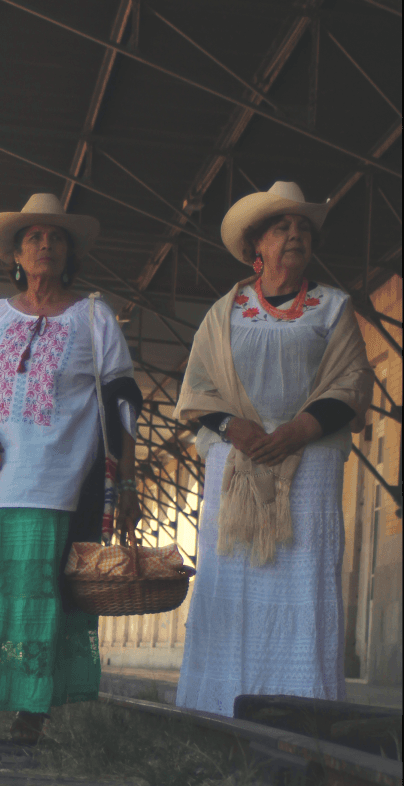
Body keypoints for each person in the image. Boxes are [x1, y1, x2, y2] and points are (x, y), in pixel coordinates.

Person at [0, 193, 143, 744]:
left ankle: (31, 714)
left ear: (68, 253)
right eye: (33, 237)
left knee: (43, 598)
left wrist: (130, 480)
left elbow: (121, 396)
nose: (45, 244)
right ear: (16, 256)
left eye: (56, 237)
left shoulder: (93, 316)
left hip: (62, 486)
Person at [173, 181, 374, 716]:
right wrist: (234, 427)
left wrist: (297, 430)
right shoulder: (226, 311)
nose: (295, 235)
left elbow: (351, 382)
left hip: (308, 466)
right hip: (234, 461)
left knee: (302, 582)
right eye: (282, 227)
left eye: (303, 229)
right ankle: (218, 706)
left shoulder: (332, 307)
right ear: (255, 246)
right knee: (231, 579)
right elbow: (197, 387)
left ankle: (303, 712)